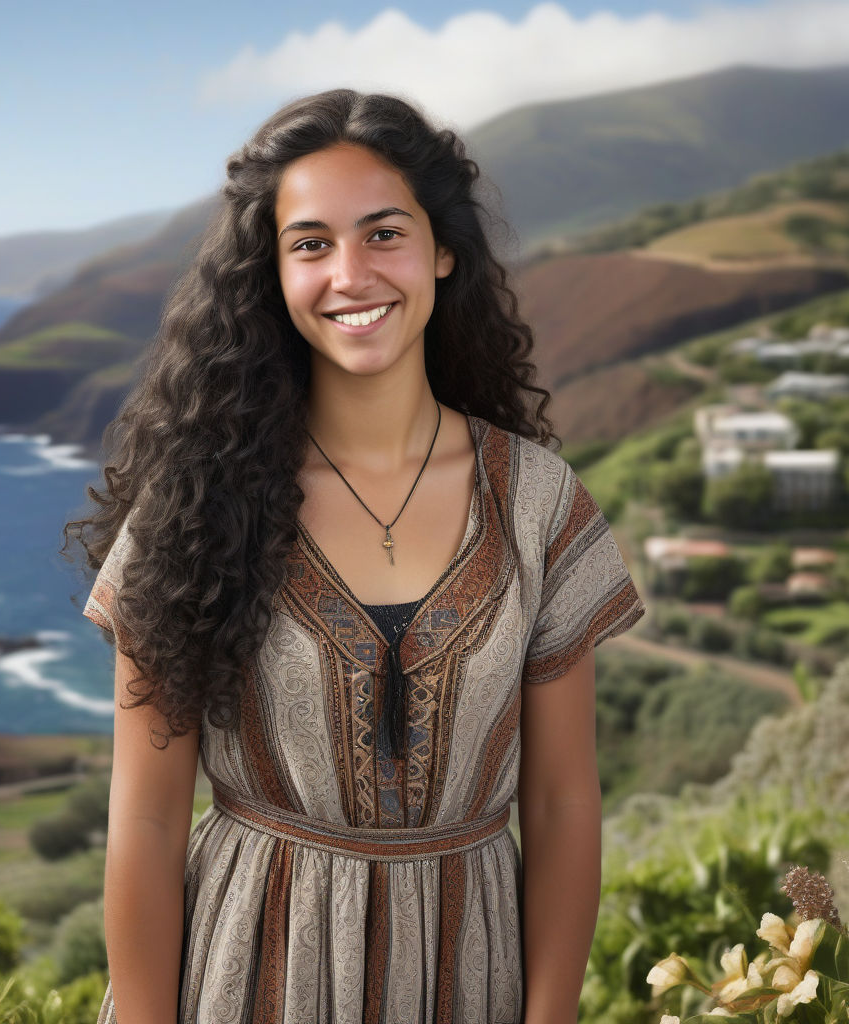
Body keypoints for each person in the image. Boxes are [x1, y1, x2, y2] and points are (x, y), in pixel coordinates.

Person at [66, 87, 646, 1024]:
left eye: (384, 234)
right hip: (241, 976)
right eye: (311, 244)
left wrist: (551, 1017)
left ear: (442, 249)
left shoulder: (540, 504)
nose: (350, 274)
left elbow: (563, 799)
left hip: (472, 977)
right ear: (273, 273)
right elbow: (145, 817)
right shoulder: (191, 506)